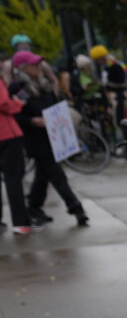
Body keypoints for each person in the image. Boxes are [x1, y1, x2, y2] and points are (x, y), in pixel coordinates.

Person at [9, 52, 88, 227]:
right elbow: (15, 115)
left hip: (53, 136)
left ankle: (34, 206)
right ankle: (75, 206)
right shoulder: (18, 88)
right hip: (35, 138)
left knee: (44, 174)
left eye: (39, 64)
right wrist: (32, 121)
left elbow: (53, 106)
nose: (38, 67)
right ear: (23, 68)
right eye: (34, 65)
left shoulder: (44, 84)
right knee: (56, 173)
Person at [0, 76, 35, 233]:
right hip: (6, 134)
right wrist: (18, 104)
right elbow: (3, 103)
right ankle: (21, 222)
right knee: (13, 179)